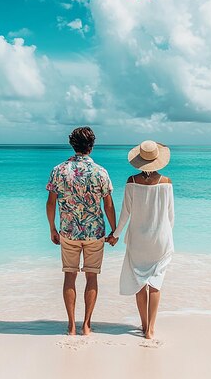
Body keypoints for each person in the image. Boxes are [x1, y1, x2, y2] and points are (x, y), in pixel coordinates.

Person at [45, 127, 116, 336]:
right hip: (95, 233)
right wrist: (114, 230)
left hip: (68, 232)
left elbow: (50, 203)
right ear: (91, 147)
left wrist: (52, 228)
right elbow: (108, 206)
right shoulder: (100, 172)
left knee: (70, 275)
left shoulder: (59, 170)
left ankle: (71, 325)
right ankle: (86, 324)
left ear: (72, 145)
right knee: (92, 277)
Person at [107, 140, 174, 340]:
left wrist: (115, 236)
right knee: (155, 282)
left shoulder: (132, 182)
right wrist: (164, 234)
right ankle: (151, 329)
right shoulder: (166, 183)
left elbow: (125, 215)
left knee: (139, 281)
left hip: (138, 240)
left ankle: (143, 324)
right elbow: (171, 216)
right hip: (160, 240)